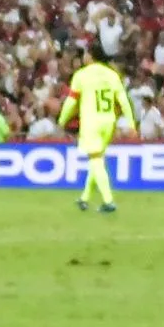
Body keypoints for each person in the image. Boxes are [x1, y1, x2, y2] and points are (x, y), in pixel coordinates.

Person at [57, 45, 130, 213]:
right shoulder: (111, 74)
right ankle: (84, 198)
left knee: (95, 159)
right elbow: (123, 100)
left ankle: (108, 201)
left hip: (92, 121)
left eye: (86, 54)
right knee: (96, 159)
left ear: (90, 56)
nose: (84, 57)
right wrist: (131, 122)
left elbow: (71, 101)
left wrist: (62, 120)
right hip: (109, 121)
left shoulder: (82, 75)